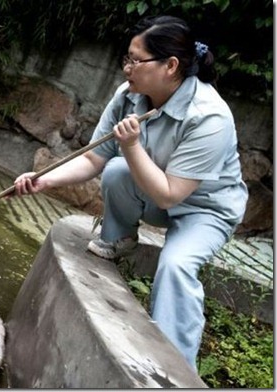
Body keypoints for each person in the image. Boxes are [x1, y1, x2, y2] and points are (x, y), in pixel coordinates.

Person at [13, 15, 248, 372]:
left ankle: (174, 366)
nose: (126, 69)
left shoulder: (209, 117)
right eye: (126, 59)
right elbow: (93, 158)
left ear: (170, 66)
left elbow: (170, 195)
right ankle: (120, 237)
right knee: (118, 169)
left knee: (176, 265)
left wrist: (133, 145)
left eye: (135, 61)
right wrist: (44, 180)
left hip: (205, 211)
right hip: (158, 192)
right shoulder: (129, 95)